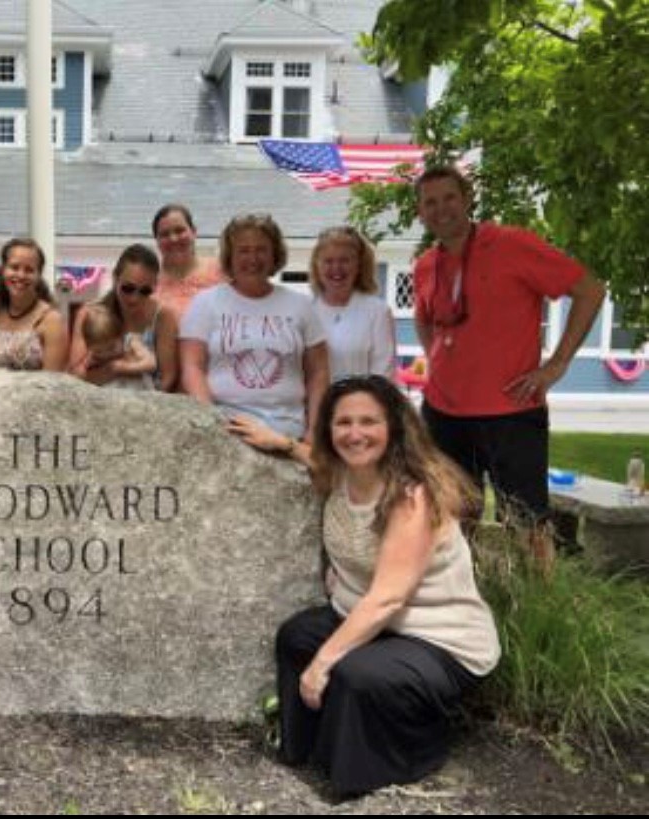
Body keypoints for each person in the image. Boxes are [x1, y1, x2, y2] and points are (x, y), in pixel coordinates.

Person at [273, 375, 500, 797]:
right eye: (343, 423)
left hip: (441, 640)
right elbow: (314, 459)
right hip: (386, 627)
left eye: (368, 422)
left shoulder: (413, 497)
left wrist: (322, 664)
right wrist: (280, 443)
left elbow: (389, 597)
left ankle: (396, 758)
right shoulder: (342, 474)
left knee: (358, 672)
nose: (354, 434)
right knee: (297, 635)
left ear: (394, 428)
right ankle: (308, 750)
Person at [413, 166, 605, 531]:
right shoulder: (426, 266)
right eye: (430, 202)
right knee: (448, 522)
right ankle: (458, 589)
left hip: (511, 411)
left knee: (526, 524)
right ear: (420, 213)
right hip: (443, 414)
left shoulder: (511, 244)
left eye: (450, 197)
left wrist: (558, 363)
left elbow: (590, 291)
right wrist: (438, 362)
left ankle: (533, 591)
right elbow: (424, 319)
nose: (441, 209)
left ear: (468, 199)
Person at [179, 213, 329, 444]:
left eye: (261, 249)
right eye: (244, 250)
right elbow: (192, 366)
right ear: (230, 256)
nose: (253, 258)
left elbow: (318, 372)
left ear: (274, 255)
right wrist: (210, 422)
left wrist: (315, 429)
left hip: (289, 434)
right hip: (226, 431)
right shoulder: (205, 303)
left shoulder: (302, 305)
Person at [68, 243, 180, 391]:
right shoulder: (89, 314)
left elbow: (167, 378)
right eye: (128, 288)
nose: (135, 298)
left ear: (154, 286)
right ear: (115, 278)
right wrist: (114, 369)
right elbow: (75, 377)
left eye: (145, 291)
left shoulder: (163, 317)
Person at [309, 227, 395, 381]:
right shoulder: (304, 310)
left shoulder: (377, 311)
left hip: (360, 403)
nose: (336, 268)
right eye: (328, 261)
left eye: (345, 260)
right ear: (317, 265)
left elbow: (383, 376)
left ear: (359, 265)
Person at [0, 237, 68, 372]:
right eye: (14, 267)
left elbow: (53, 384)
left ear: (38, 275)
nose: (21, 275)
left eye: (29, 270)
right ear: (3, 269)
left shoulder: (52, 320)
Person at [151, 204, 225, 319]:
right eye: (165, 234)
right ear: (157, 240)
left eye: (179, 231)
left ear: (194, 231)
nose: (173, 239)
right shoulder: (147, 281)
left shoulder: (223, 272)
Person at [76, 304, 156, 390]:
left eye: (111, 347)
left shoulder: (130, 342)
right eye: (99, 351)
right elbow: (81, 377)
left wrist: (126, 367)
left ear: (121, 335)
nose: (106, 354)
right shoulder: (91, 356)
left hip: (138, 389)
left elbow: (151, 363)